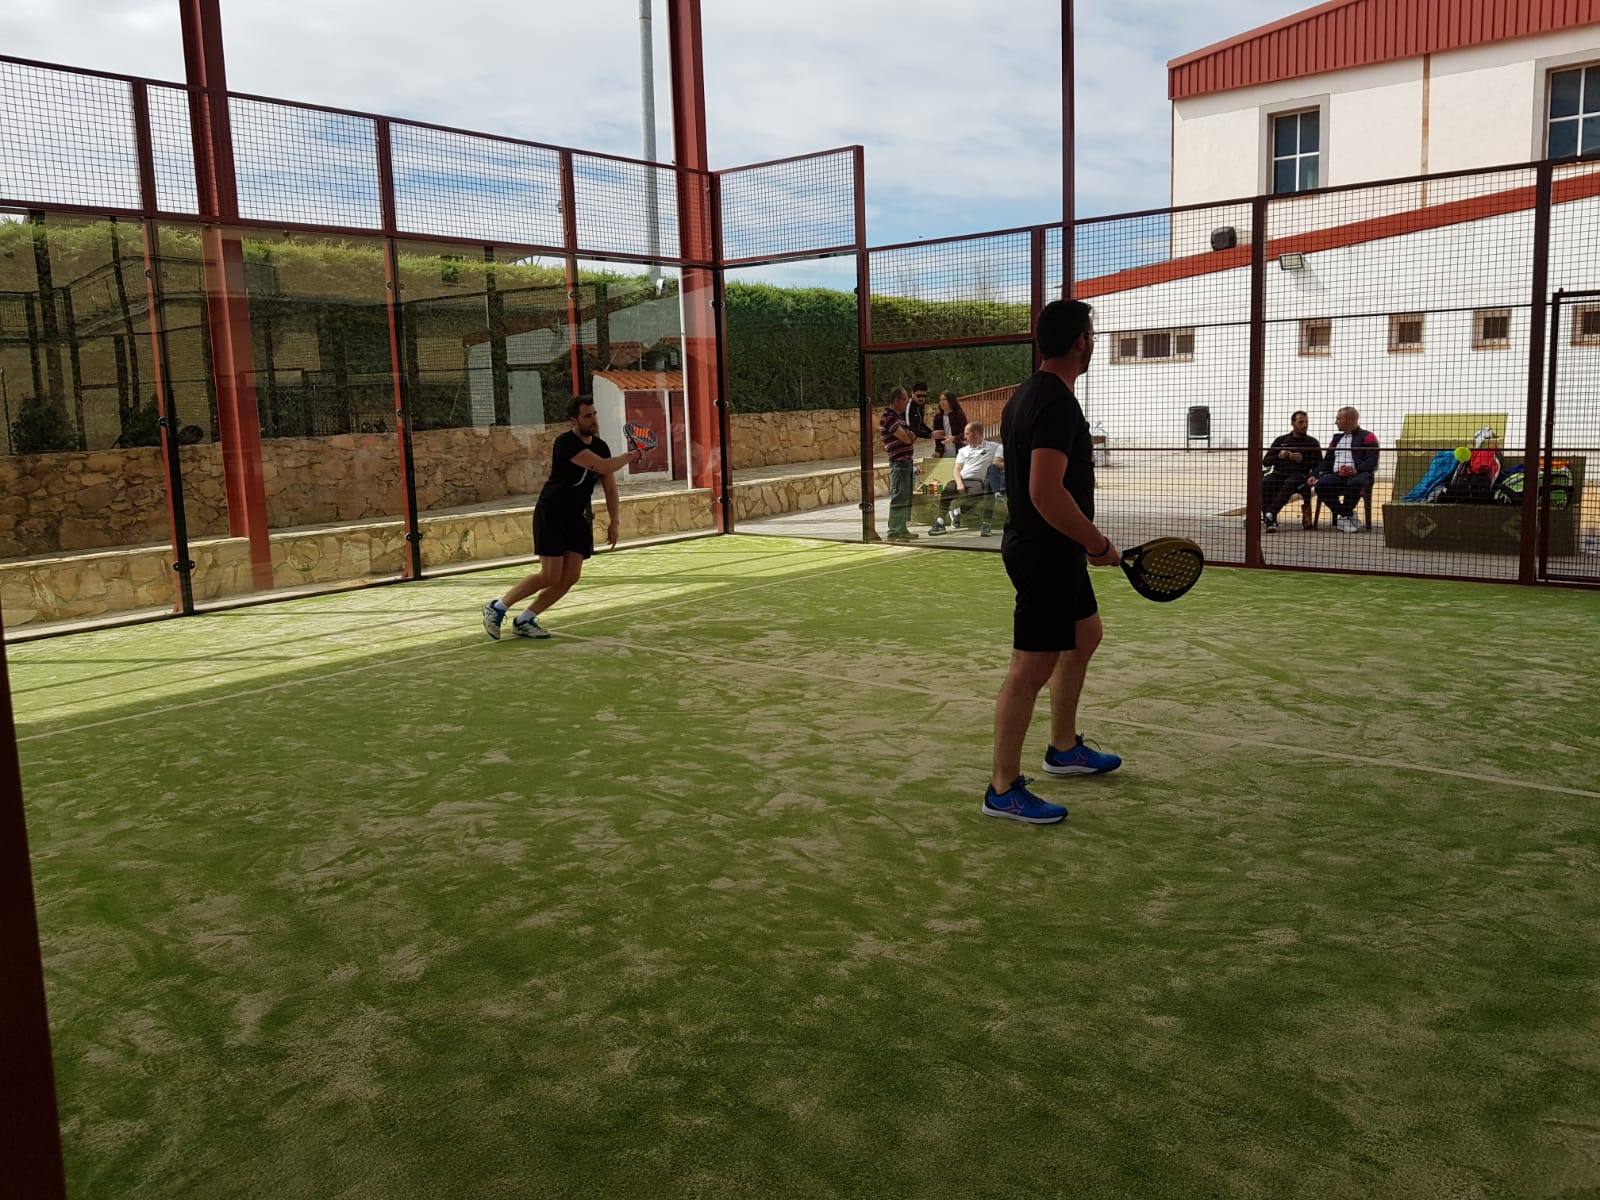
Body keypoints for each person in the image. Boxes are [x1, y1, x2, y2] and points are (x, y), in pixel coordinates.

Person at [986, 299, 1122, 825]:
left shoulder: (1028, 393)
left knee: (1085, 636)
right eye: (1091, 335)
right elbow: (1046, 492)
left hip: (1053, 549)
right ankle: (1002, 789)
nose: (1092, 343)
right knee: (1031, 667)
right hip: (1046, 552)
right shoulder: (1056, 402)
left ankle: (1063, 749)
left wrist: (1082, 546)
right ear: (1081, 342)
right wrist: (1096, 544)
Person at [480, 395, 642, 639]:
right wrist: (630, 457)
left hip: (576, 518)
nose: (593, 419)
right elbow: (603, 467)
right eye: (587, 416)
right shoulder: (565, 444)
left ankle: (525, 619)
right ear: (573, 421)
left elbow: (610, 487)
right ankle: (497, 607)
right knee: (550, 576)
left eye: (595, 414)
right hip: (552, 513)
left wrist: (615, 521)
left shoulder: (601, 447)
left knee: (570, 577)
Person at [1310, 406, 1380, 533]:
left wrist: (1355, 470)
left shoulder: (1368, 436)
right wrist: (1314, 474)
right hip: (1338, 475)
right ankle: (1346, 514)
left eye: (1339, 418)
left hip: (1359, 474)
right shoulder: (1336, 439)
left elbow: (1372, 460)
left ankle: (1345, 517)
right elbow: (1327, 461)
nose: (1336, 422)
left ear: (1350, 419)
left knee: (1356, 483)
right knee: (1320, 485)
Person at [929, 422, 1004, 537]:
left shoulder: (994, 447)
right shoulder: (963, 451)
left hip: (977, 481)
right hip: (961, 478)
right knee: (947, 490)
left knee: (977, 493)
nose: (964, 437)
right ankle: (940, 522)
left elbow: (999, 461)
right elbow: (956, 469)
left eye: (967, 434)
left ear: (976, 434)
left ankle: (957, 512)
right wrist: (959, 483)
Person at [1259, 410, 1320, 531]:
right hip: (1279, 474)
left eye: (1306, 422)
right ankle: (1271, 521)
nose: (1305, 425)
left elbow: (1319, 464)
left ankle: (1270, 514)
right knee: (1266, 482)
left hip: (1300, 475)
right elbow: (1266, 461)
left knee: (1291, 482)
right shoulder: (1281, 440)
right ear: (1293, 423)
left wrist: (1303, 459)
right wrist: (1279, 456)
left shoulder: (1312, 442)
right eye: (1301, 422)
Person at [879, 385, 919, 542]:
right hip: (899, 462)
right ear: (896, 400)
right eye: (905, 400)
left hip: (906, 462)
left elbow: (912, 436)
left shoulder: (899, 418)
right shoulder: (889, 418)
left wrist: (910, 435)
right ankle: (894, 530)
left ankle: (902, 528)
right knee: (899, 495)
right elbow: (906, 438)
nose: (906, 403)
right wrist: (909, 436)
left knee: (906, 496)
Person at [929, 391, 967, 458]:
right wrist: (937, 451)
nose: (942, 402)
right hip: (944, 454)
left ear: (951, 400)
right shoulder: (938, 417)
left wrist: (954, 438)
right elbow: (938, 438)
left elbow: (966, 434)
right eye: (940, 400)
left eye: (944, 399)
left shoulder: (959, 415)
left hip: (959, 453)